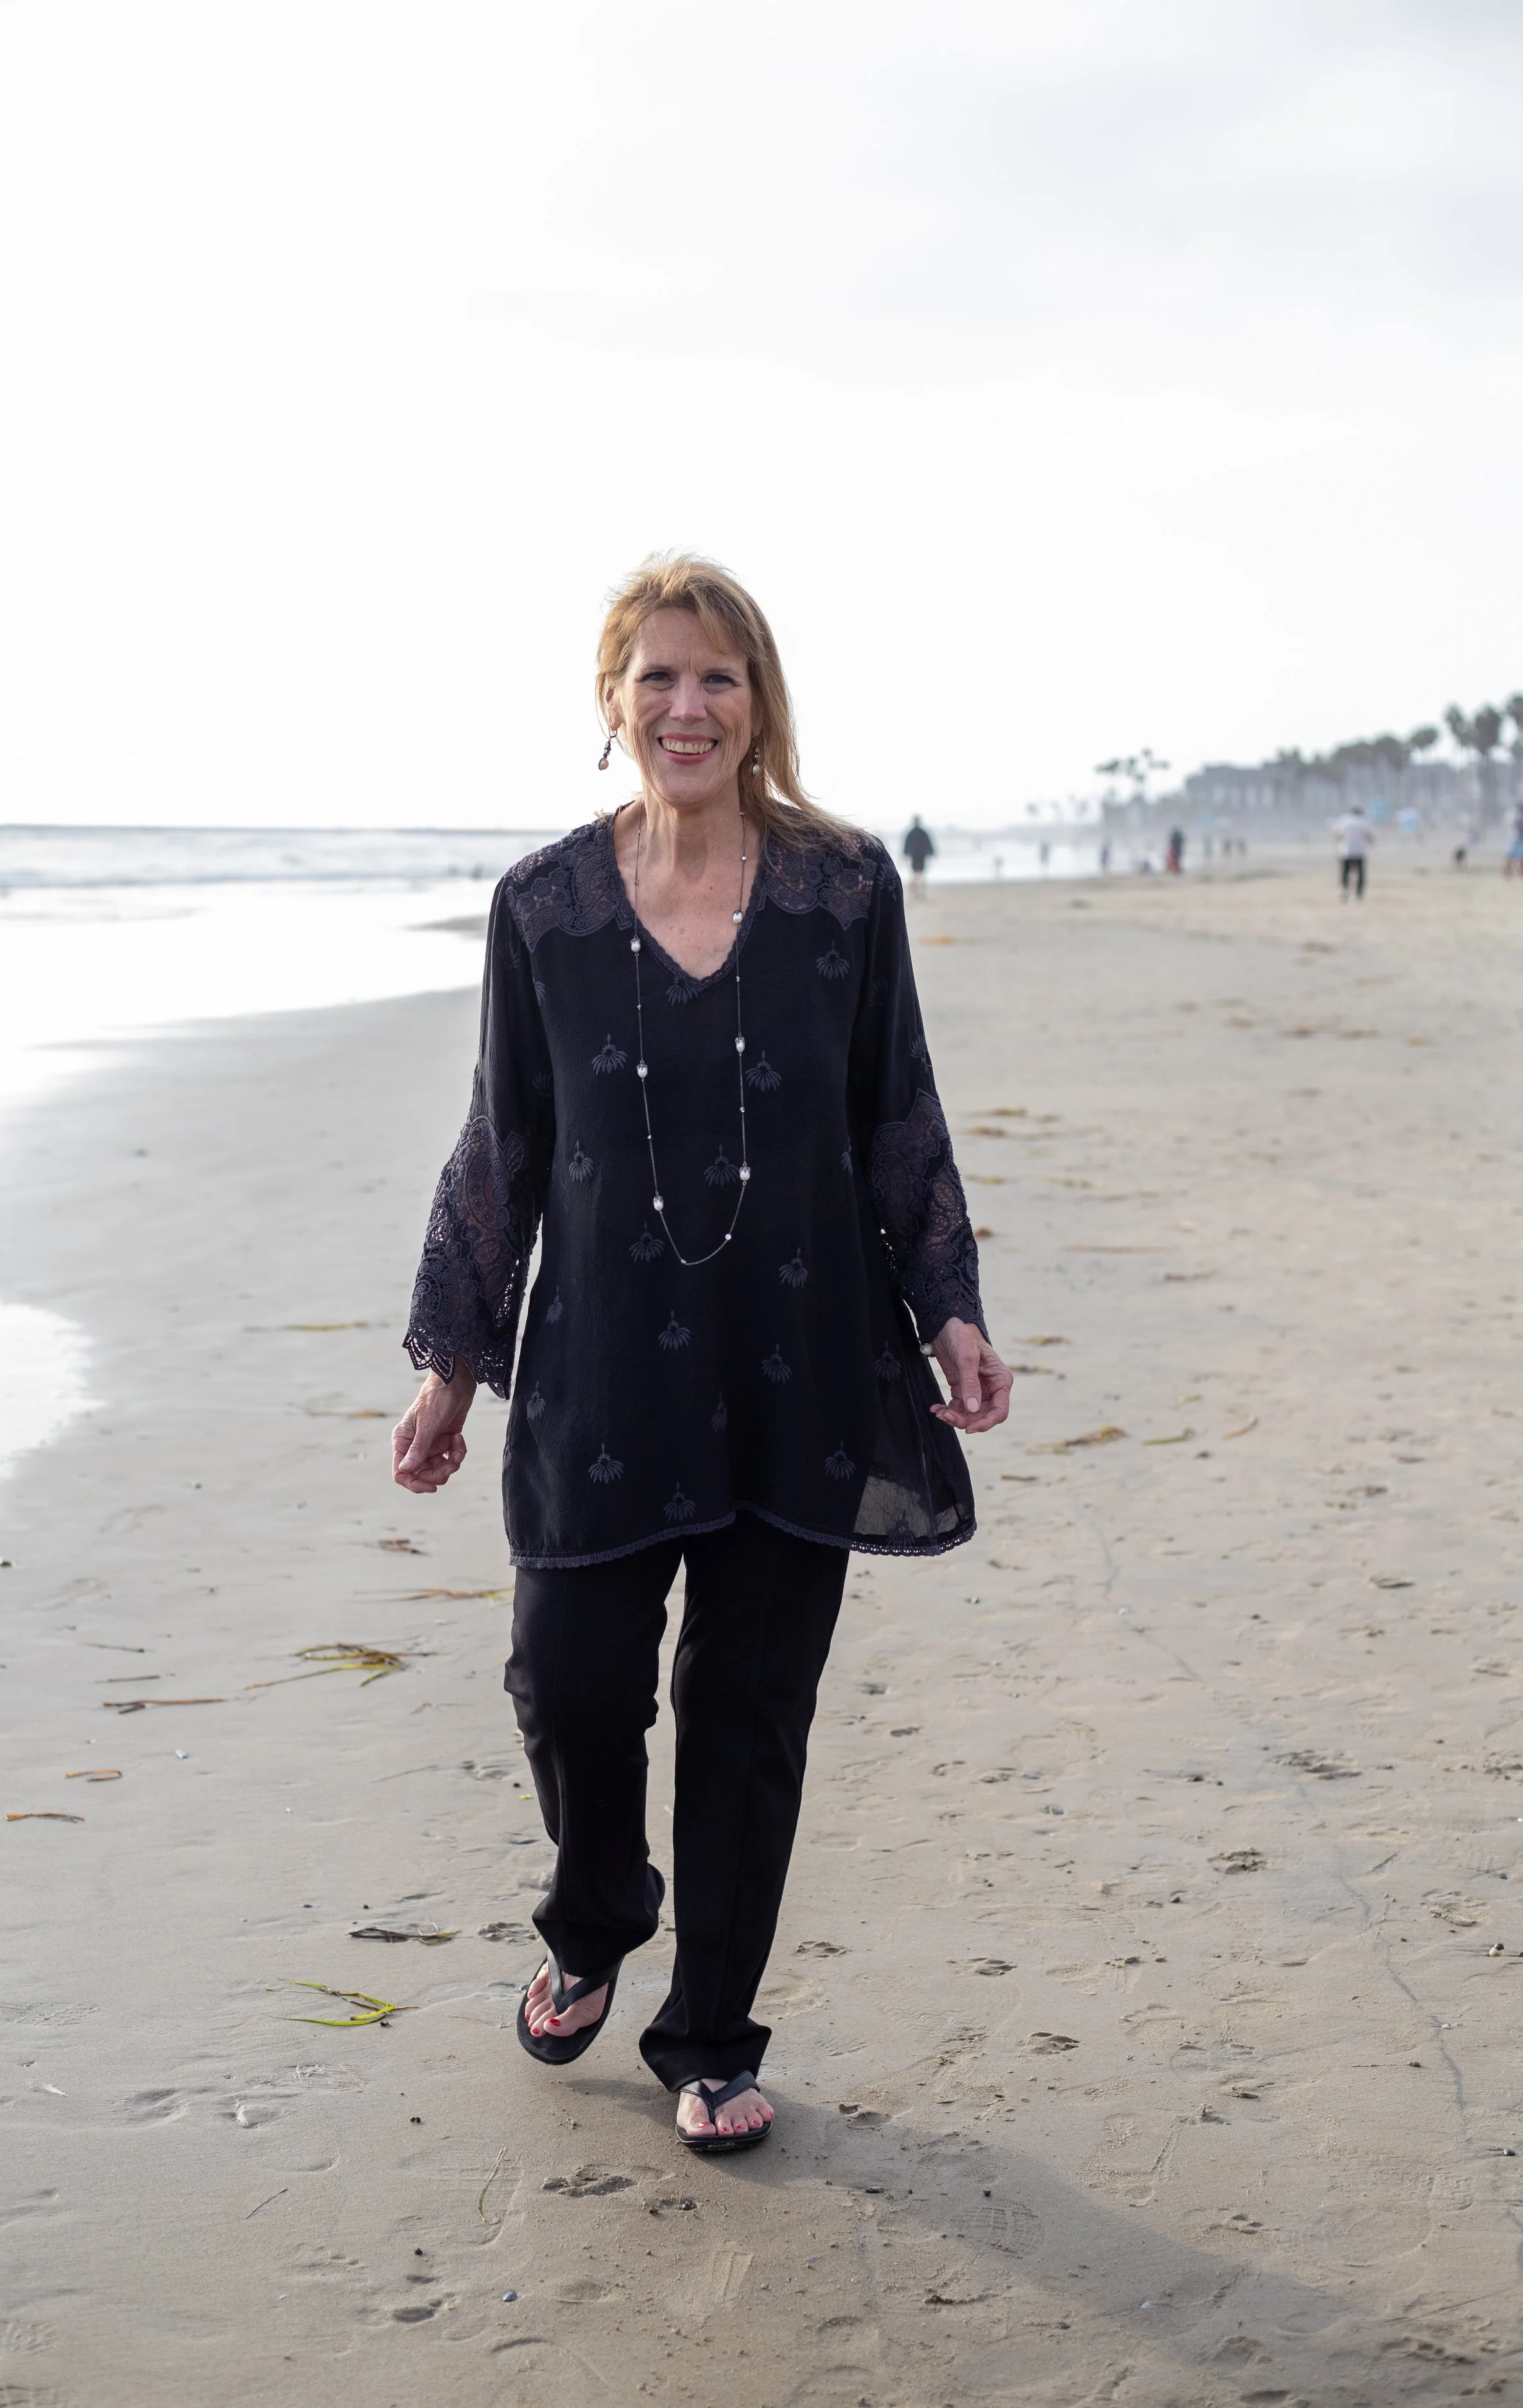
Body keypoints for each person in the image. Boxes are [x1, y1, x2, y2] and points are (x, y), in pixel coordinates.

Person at [391, 555, 1011, 2154]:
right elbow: (504, 1142)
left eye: (718, 677)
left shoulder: (844, 891)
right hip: (604, 1372)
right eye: (658, 676)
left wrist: (949, 1303)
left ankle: (712, 2033)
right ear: (612, 701)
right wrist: (452, 1355)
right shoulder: (542, 907)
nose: (687, 706)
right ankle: (596, 1905)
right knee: (567, 1679)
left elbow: (898, 1110)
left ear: (760, 703)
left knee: (751, 1706)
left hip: (802, 1360)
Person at [1334, 803, 1372, 898]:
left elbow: (1337, 834)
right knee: (1360, 873)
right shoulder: (1363, 821)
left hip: (1345, 850)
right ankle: (1359, 893)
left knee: (1345, 872)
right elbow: (1368, 835)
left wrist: (1340, 843)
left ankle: (1345, 888)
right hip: (1359, 850)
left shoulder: (1344, 821)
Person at [901, 814, 936, 894]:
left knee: (916, 874)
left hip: (915, 856)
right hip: (920, 856)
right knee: (920, 873)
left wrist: (906, 854)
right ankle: (919, 891)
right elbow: (928, 844)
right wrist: (931, 852)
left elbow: (907, 845)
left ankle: (917, 891)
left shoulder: (912, 833)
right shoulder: (922, 832)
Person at [1506, 800, 1523, 880]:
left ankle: (1509, 872)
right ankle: (1509, 872)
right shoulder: (1518, 817)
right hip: (1518, 838)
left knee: (1511, 856)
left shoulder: (1518, 817)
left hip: (1518, 838)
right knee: (1512, 856)